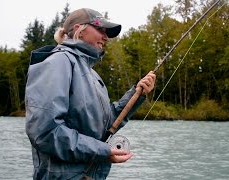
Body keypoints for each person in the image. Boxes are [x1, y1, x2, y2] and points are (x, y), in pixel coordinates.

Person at [25, 8, 156, 180]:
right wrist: (103, 150)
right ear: (79, 29)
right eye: (100, 29)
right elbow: (46, 132)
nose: (106, 37)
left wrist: (136, 95)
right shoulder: (58, 62)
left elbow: (107, 123)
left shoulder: (92, 75)